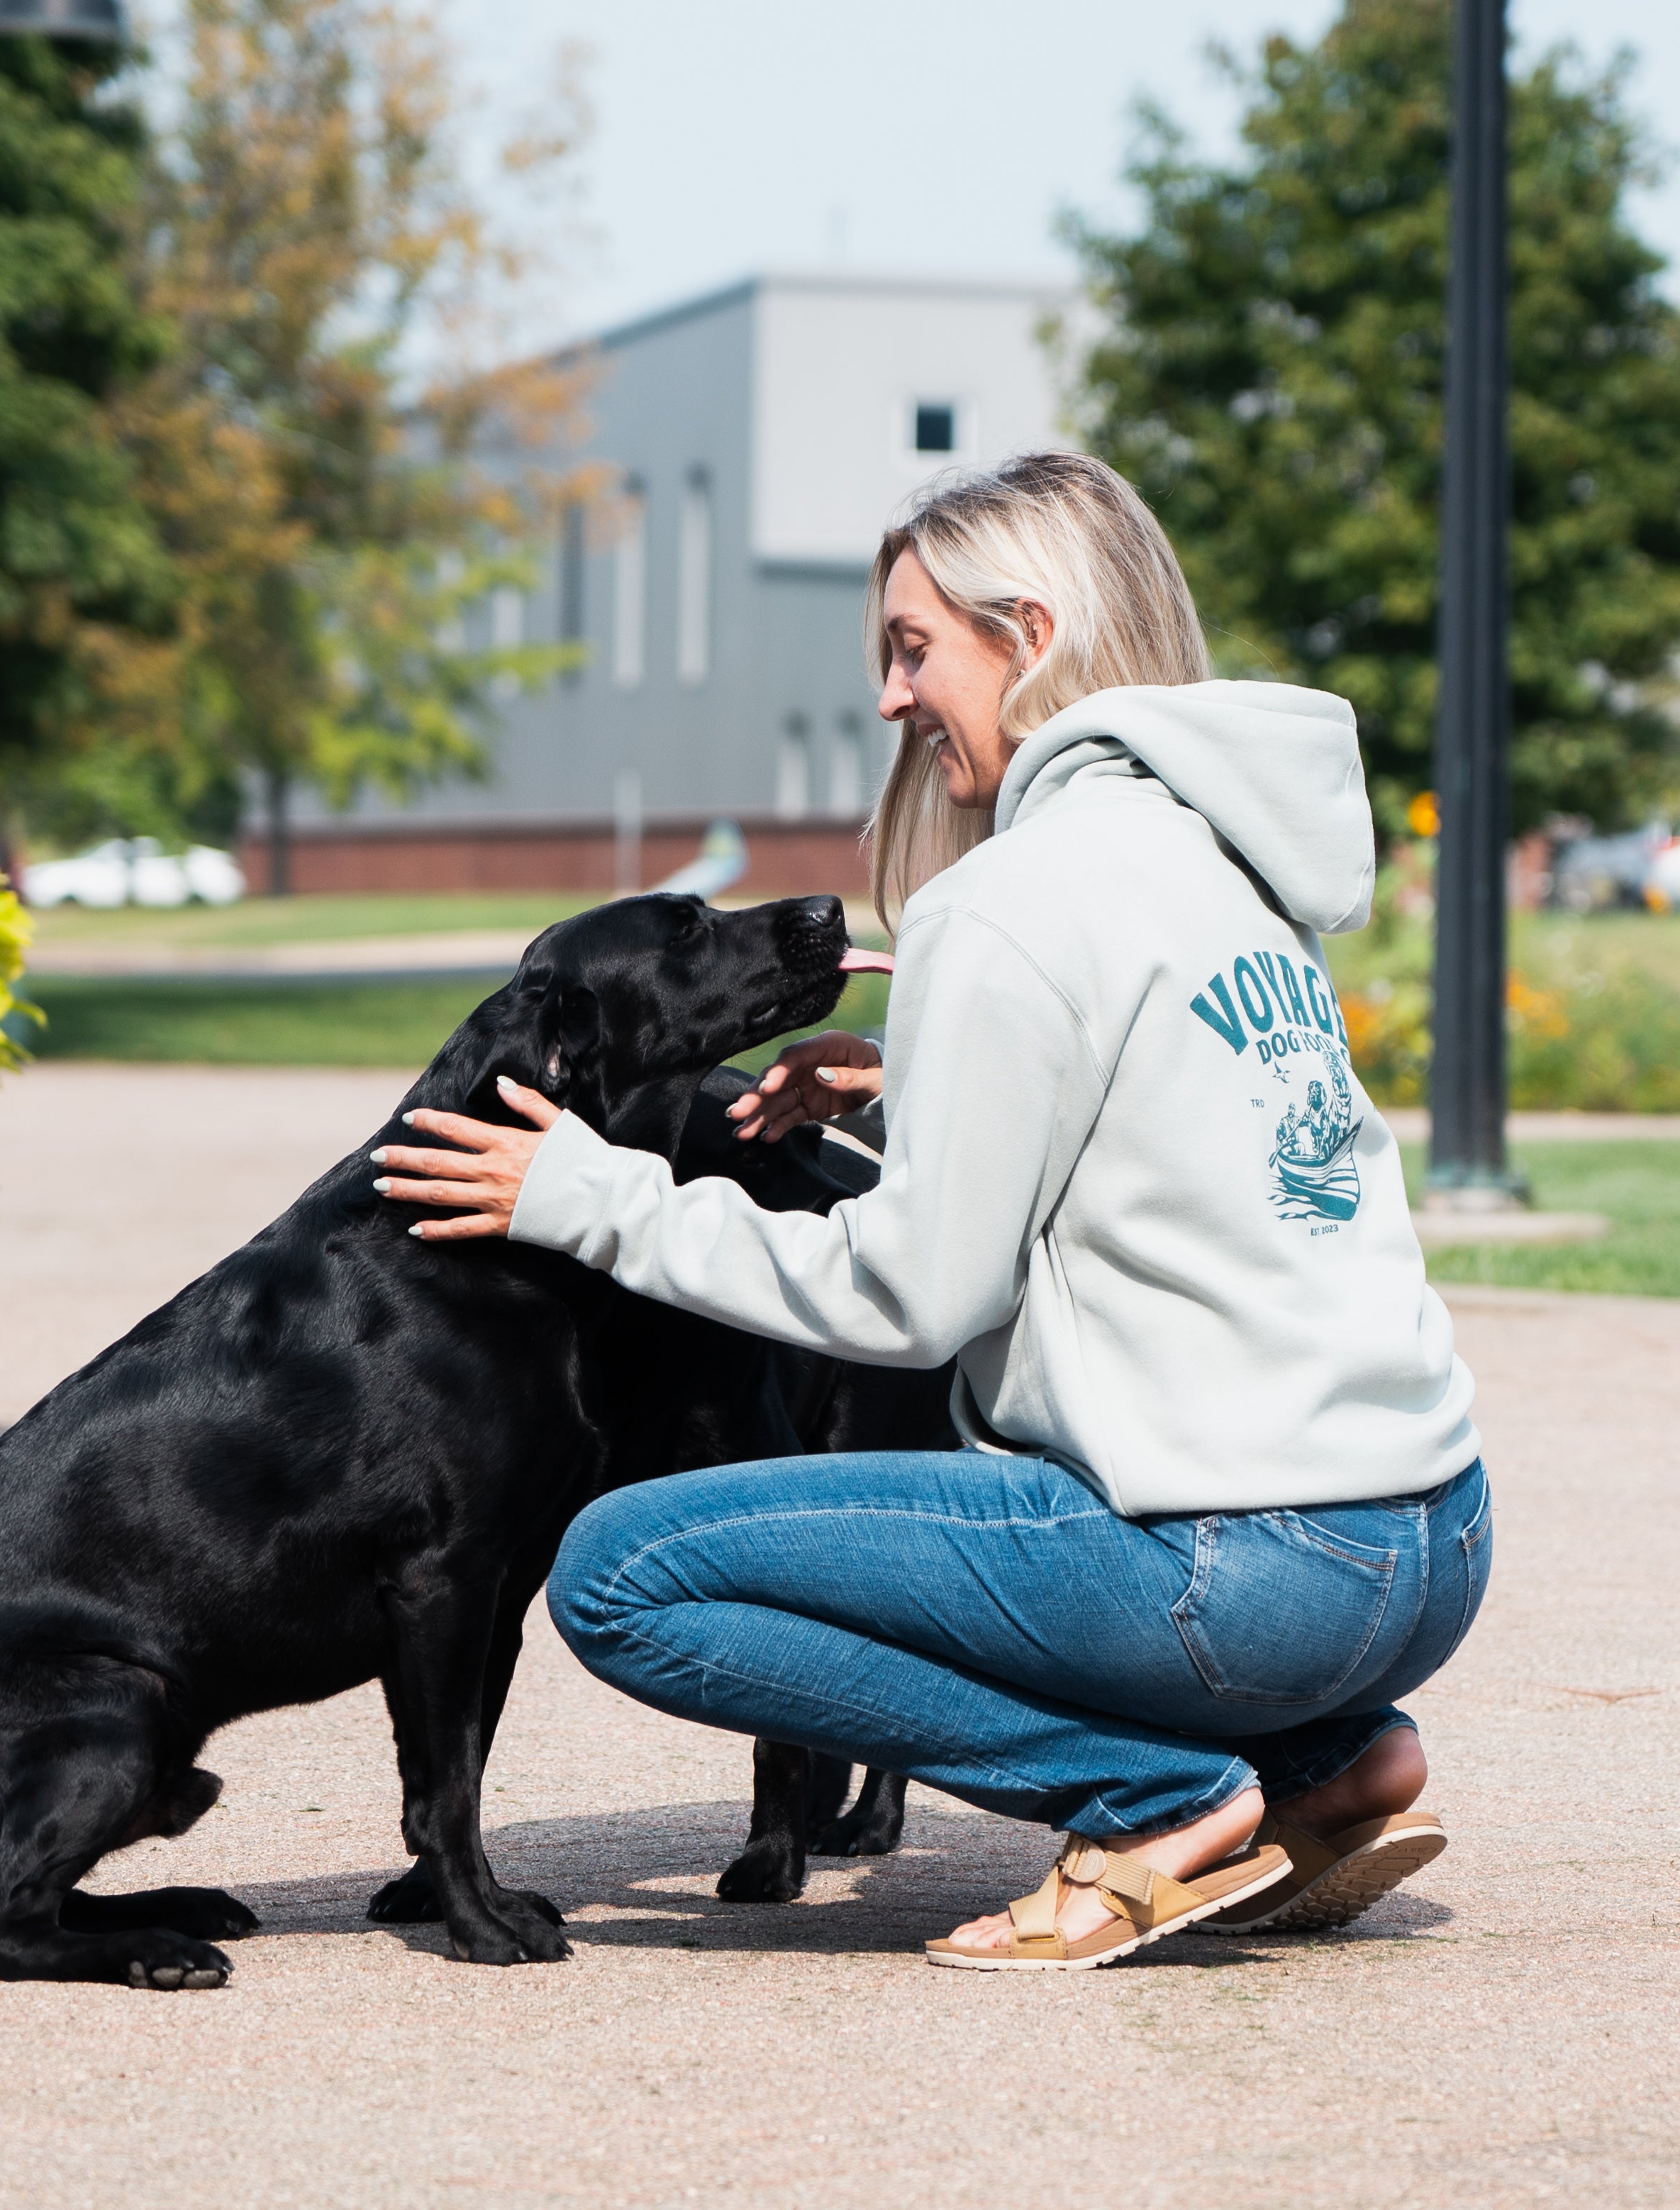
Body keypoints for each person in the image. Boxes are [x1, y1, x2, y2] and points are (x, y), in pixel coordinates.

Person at [370, 452, 1491, 1971]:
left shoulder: (1009, 897)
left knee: (625, 1573)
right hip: (1426, 1547)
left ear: (1027, 636)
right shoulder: (1228, 863)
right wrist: (907, 1095)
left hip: (1243, 1578)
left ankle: (1155, 1803)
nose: (892, 697)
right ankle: (1332, 1761)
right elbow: (1175, 1148)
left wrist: (597, 1197)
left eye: (912, 649)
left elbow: (905, 1300)